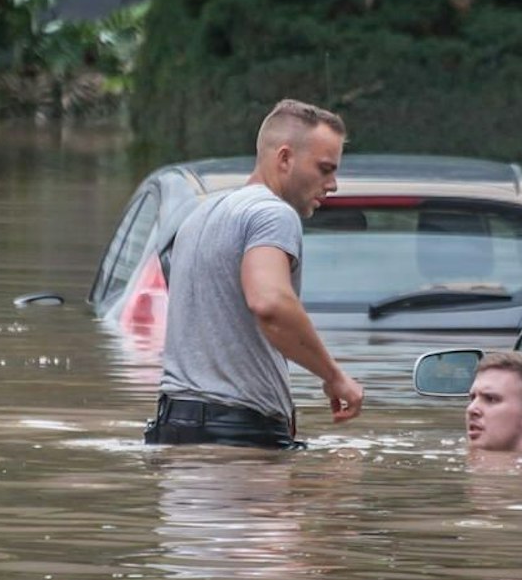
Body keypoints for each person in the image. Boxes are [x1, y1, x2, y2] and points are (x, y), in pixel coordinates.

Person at [146, 98, 366, 448]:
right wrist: (334, 376)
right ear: (284, 158)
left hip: (172, 429)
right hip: (238, 433)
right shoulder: (272, 213)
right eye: (325, 169)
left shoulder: (199, 216)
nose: (333, 184)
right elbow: (270, 303)